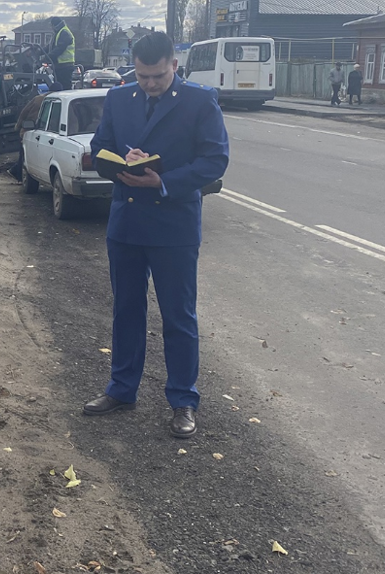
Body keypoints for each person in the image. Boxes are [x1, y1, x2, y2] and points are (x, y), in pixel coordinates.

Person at [85, 31, 229, 438]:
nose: (149, 84)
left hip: (174, 226)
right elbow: (100, 148)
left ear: (174, 66)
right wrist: (118, 162)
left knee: (178, 317)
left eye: (158, 76)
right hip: (126, 224)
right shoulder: (118, 98)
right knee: (125, 310)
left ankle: (183, 400)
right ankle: (121, 389)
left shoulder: (200, 101)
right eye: (143, 75)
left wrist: (161, 181)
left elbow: (214, 160)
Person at [7, 83, 62, 182]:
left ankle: (18, 172)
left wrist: (18, 127)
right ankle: (18, 173)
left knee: (24, 155)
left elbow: (24, 113)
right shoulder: (58, 101)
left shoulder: (38, 99)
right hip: (41, 132)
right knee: (26, 156)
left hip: (31, 131)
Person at [47, 17, 75, 90]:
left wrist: (46, 58)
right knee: (60, 88)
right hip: (60, 66)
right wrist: (38, 50)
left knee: (65, 88)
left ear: (54, 25)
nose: (51, 28)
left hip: (65, 66)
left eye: (51, 26)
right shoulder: (59, 33)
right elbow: (50, 47)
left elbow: (59, 49)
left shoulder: (64, 33)